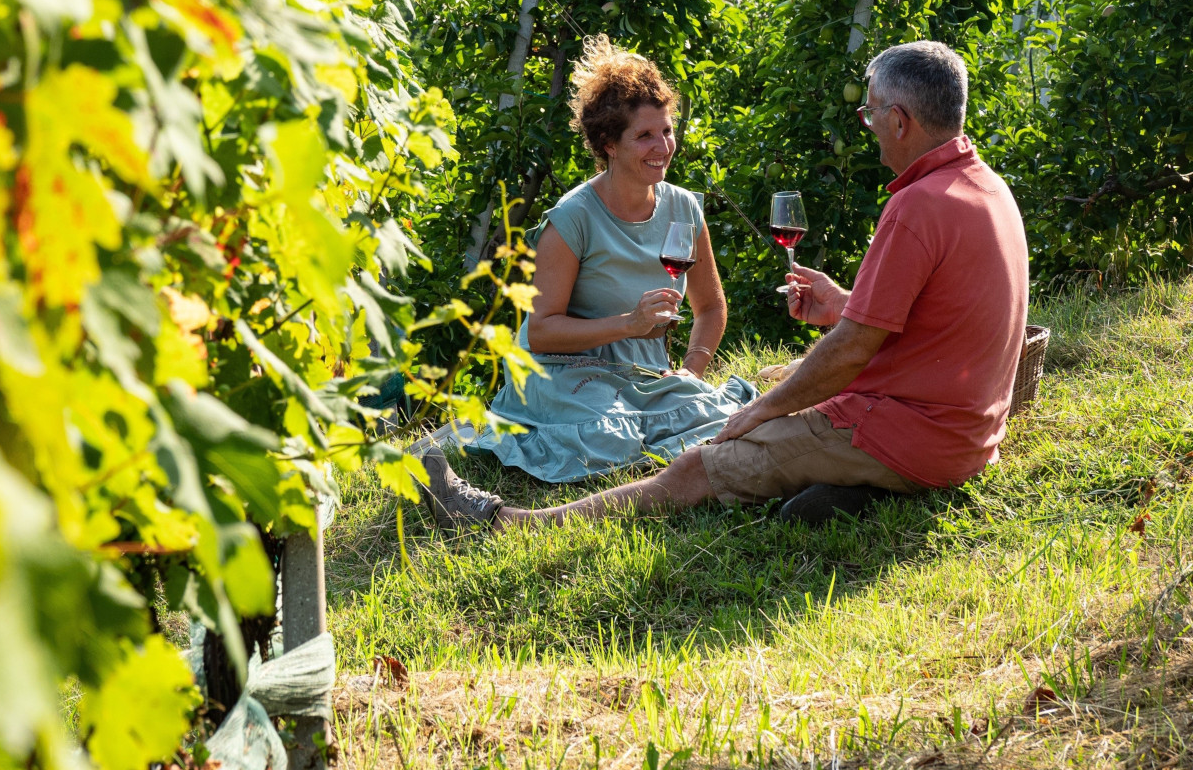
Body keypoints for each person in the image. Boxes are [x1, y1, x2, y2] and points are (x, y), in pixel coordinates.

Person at [423, 40, 1028, 532]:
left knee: (698, 462)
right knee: (752, 409)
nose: (868, 127)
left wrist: (763, 408)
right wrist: (846, 307)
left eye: (870, 114)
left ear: (900, 120)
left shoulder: (915, 209)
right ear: (610, 145)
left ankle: (509, 524)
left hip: (911, 435)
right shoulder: (988, 189)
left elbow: (847, 351)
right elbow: (925, 323)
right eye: (646, 136)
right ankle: (847, 489)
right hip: (961, 434)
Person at [467, 34, 755, 483]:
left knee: (715, 414)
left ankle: (656, 423)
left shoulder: (684, 209)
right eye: (644, 136)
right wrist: (629, 323)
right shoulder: (571, 218)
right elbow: (541, 331)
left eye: (667, 130)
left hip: (638, 371)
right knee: (609, 437)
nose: (663, 146)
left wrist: (691, 371)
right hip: (560, 370)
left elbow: (711, 306)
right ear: (608, 145)